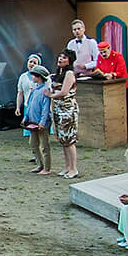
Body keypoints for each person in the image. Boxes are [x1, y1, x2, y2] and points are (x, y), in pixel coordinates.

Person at [48, 51, 79, 179]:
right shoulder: (57, 74)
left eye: (64, 57)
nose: (60, 59)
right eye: (60, 56)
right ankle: (67, 166)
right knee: (62, 140)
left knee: (69, 139)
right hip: (57, 109)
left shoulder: (69, 73)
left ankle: (73, 168)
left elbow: (64, 92)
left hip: (67, 110)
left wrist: (50, 95)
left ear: (69, 60)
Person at [23, 66, 52, 175]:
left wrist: (42, 122)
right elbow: (29, 105)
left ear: (39, 77)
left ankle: (47, 167)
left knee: (44, 145)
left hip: (41, 123)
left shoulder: (45, 90)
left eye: (34, 75)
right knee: (33, 143)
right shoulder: (35, 90)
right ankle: (40, 164)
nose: (32, 77)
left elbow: (45, 109)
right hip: (33, 122)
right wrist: (26, 118)